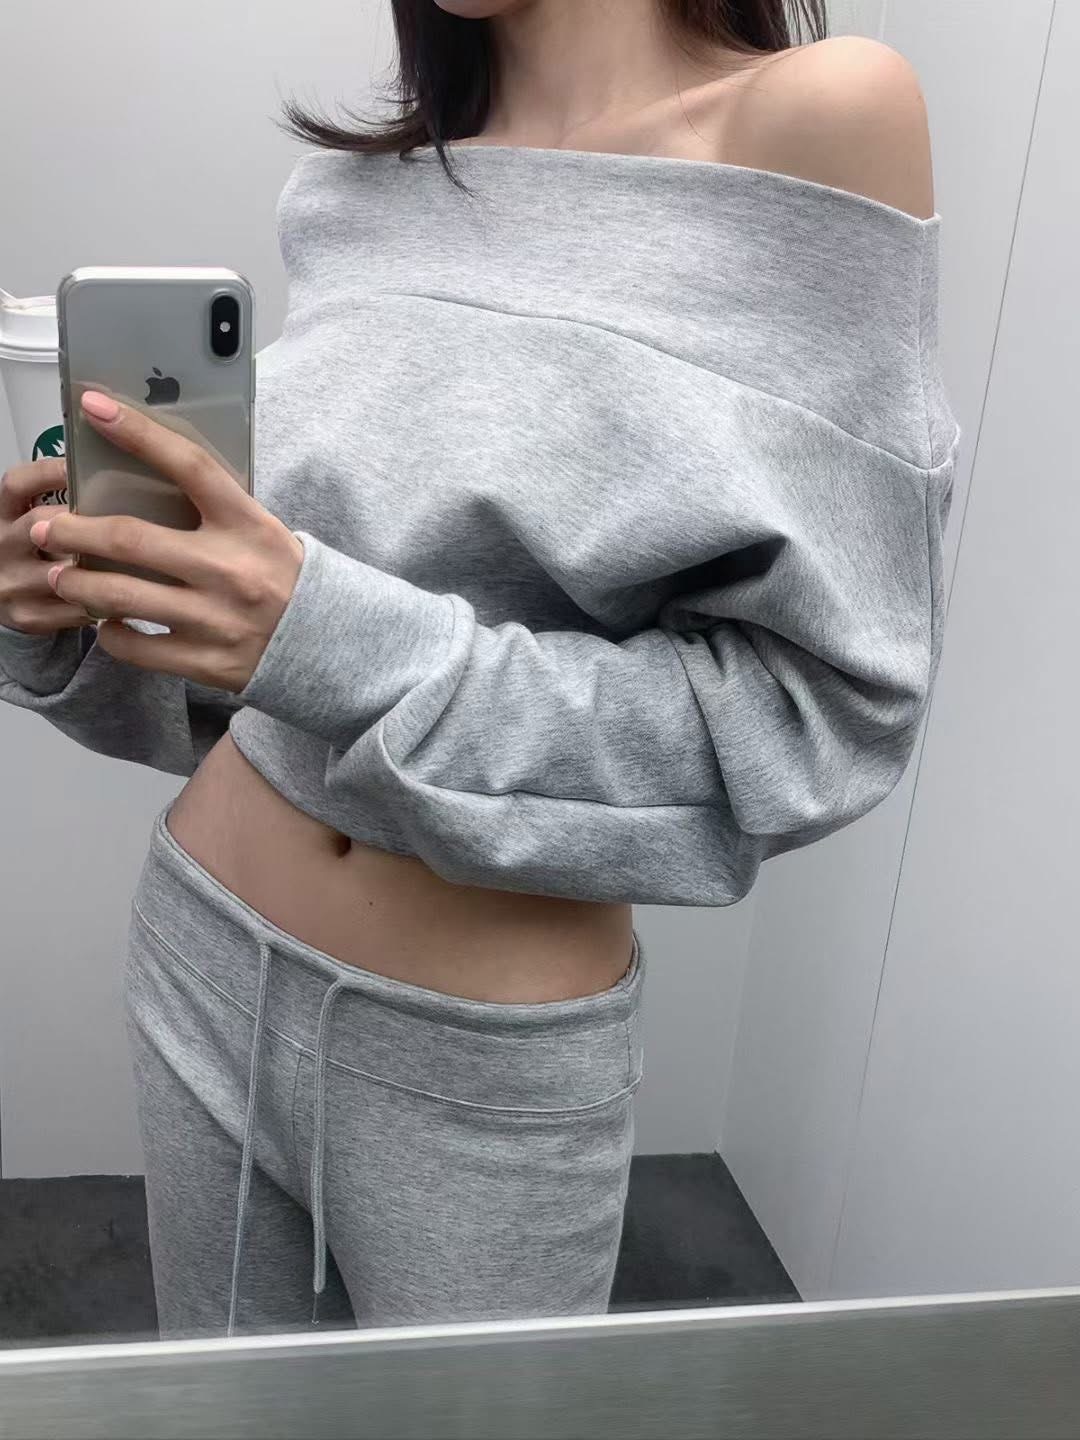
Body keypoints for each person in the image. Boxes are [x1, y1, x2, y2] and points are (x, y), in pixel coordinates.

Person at [0, 0, 959, 1337]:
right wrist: (76, 606)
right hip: (202, 947)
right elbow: (264, 671)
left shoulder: (822, 116)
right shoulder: (362, 186)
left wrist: (318, 632)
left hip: (476, 1054)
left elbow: (815, 721)